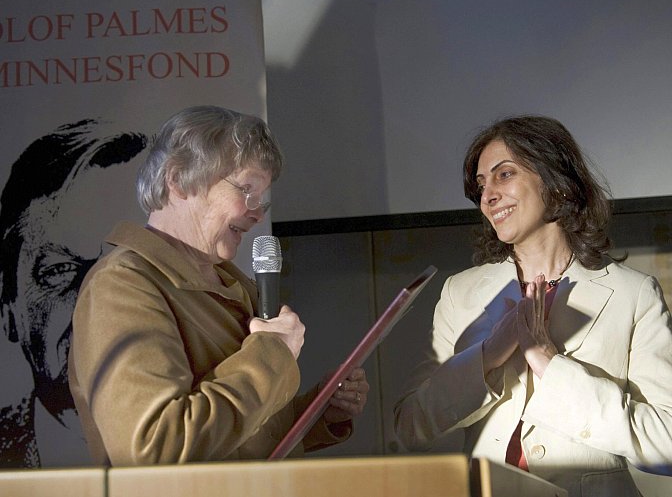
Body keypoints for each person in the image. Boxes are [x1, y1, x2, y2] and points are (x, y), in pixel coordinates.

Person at [68, 105, 369, 466]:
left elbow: (236, 435)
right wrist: (272, 355)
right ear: (178, 179)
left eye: (262, 198)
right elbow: (155, 447)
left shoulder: (232, 284)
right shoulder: (121, 286)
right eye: (246, 189)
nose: (258, 212)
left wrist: (320, 411)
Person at [393, 115, 672, 497]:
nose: (487, 195)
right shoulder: (460, 292)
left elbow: (667, 444)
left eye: (504, 175)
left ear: (555, 185)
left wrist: (549, 364)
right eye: (481, 184)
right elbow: (410, 427)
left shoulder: (633, 294)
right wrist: (488, 355)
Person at [0, 119, 148, 467]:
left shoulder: (222, 443)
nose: (95, 297)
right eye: (59, 270)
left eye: (126, 266)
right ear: (9, 308)